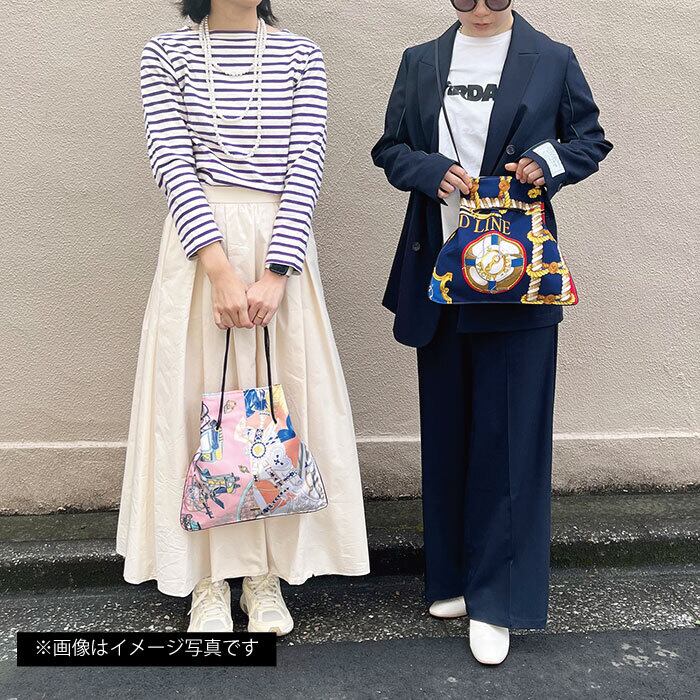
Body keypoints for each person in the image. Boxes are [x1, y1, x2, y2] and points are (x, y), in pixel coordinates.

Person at [116, 0, 370, 635]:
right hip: (198, 251)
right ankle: (207, 579)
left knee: (275, 405)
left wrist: (277, 271)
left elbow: (306, 163)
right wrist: (220, 270)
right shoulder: (166, 52)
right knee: (197, 402)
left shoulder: (301, 55)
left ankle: (263, 574)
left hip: (280, 247)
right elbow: (172, 162)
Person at [371, 0, 612, 665]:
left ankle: (497, 599)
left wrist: (547, 163)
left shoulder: (553, 59)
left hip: (517, 276)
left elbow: (589, 140)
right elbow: (390, 148)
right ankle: (451, 577)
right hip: (441, 271)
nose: (478, 8)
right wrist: (428, 171)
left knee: (509, 439)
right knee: (447, 430)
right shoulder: (422, 61)